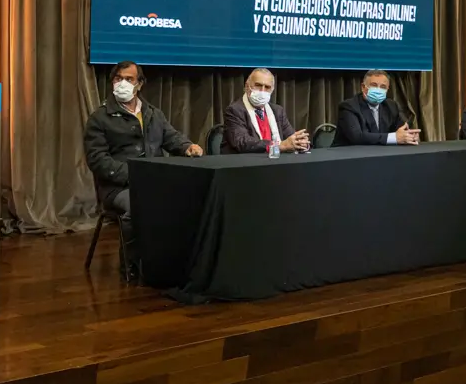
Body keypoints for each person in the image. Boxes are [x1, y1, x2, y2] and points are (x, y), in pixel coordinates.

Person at [83, 61, 203, 277]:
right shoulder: (99, 118)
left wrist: (188, 147)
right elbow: (98, 160)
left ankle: (177, 262)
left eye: (129, 79)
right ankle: (133, 266)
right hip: (118, 188)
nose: (122, 83)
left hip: (154, 181)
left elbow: (171, 137)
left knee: (190, 198)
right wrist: (136, 176)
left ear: (139, 84)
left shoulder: (153, 114)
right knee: (139, 205)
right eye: (118, 78)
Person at [221, 68, 309, 154]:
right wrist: (278, 145)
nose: (262, 90)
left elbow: (290, 138)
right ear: (247, 86)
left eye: (267, 87)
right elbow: (242, 142)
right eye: (258, 85)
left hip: (274, 161)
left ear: (272, 90)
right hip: (244, 162)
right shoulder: (234, 110)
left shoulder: (278, 111)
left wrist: (300, 143)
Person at [332, 70, 419, 146]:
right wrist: (394, 137)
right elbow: (357, 137)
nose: (378, 90)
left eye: (383, 87)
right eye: (374, 85)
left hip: (380, 154)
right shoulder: (349, 106)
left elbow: (402, 129)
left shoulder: (391, 105)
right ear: (363, 87)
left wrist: (409, 135)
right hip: (348, 156)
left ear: (387, 89)